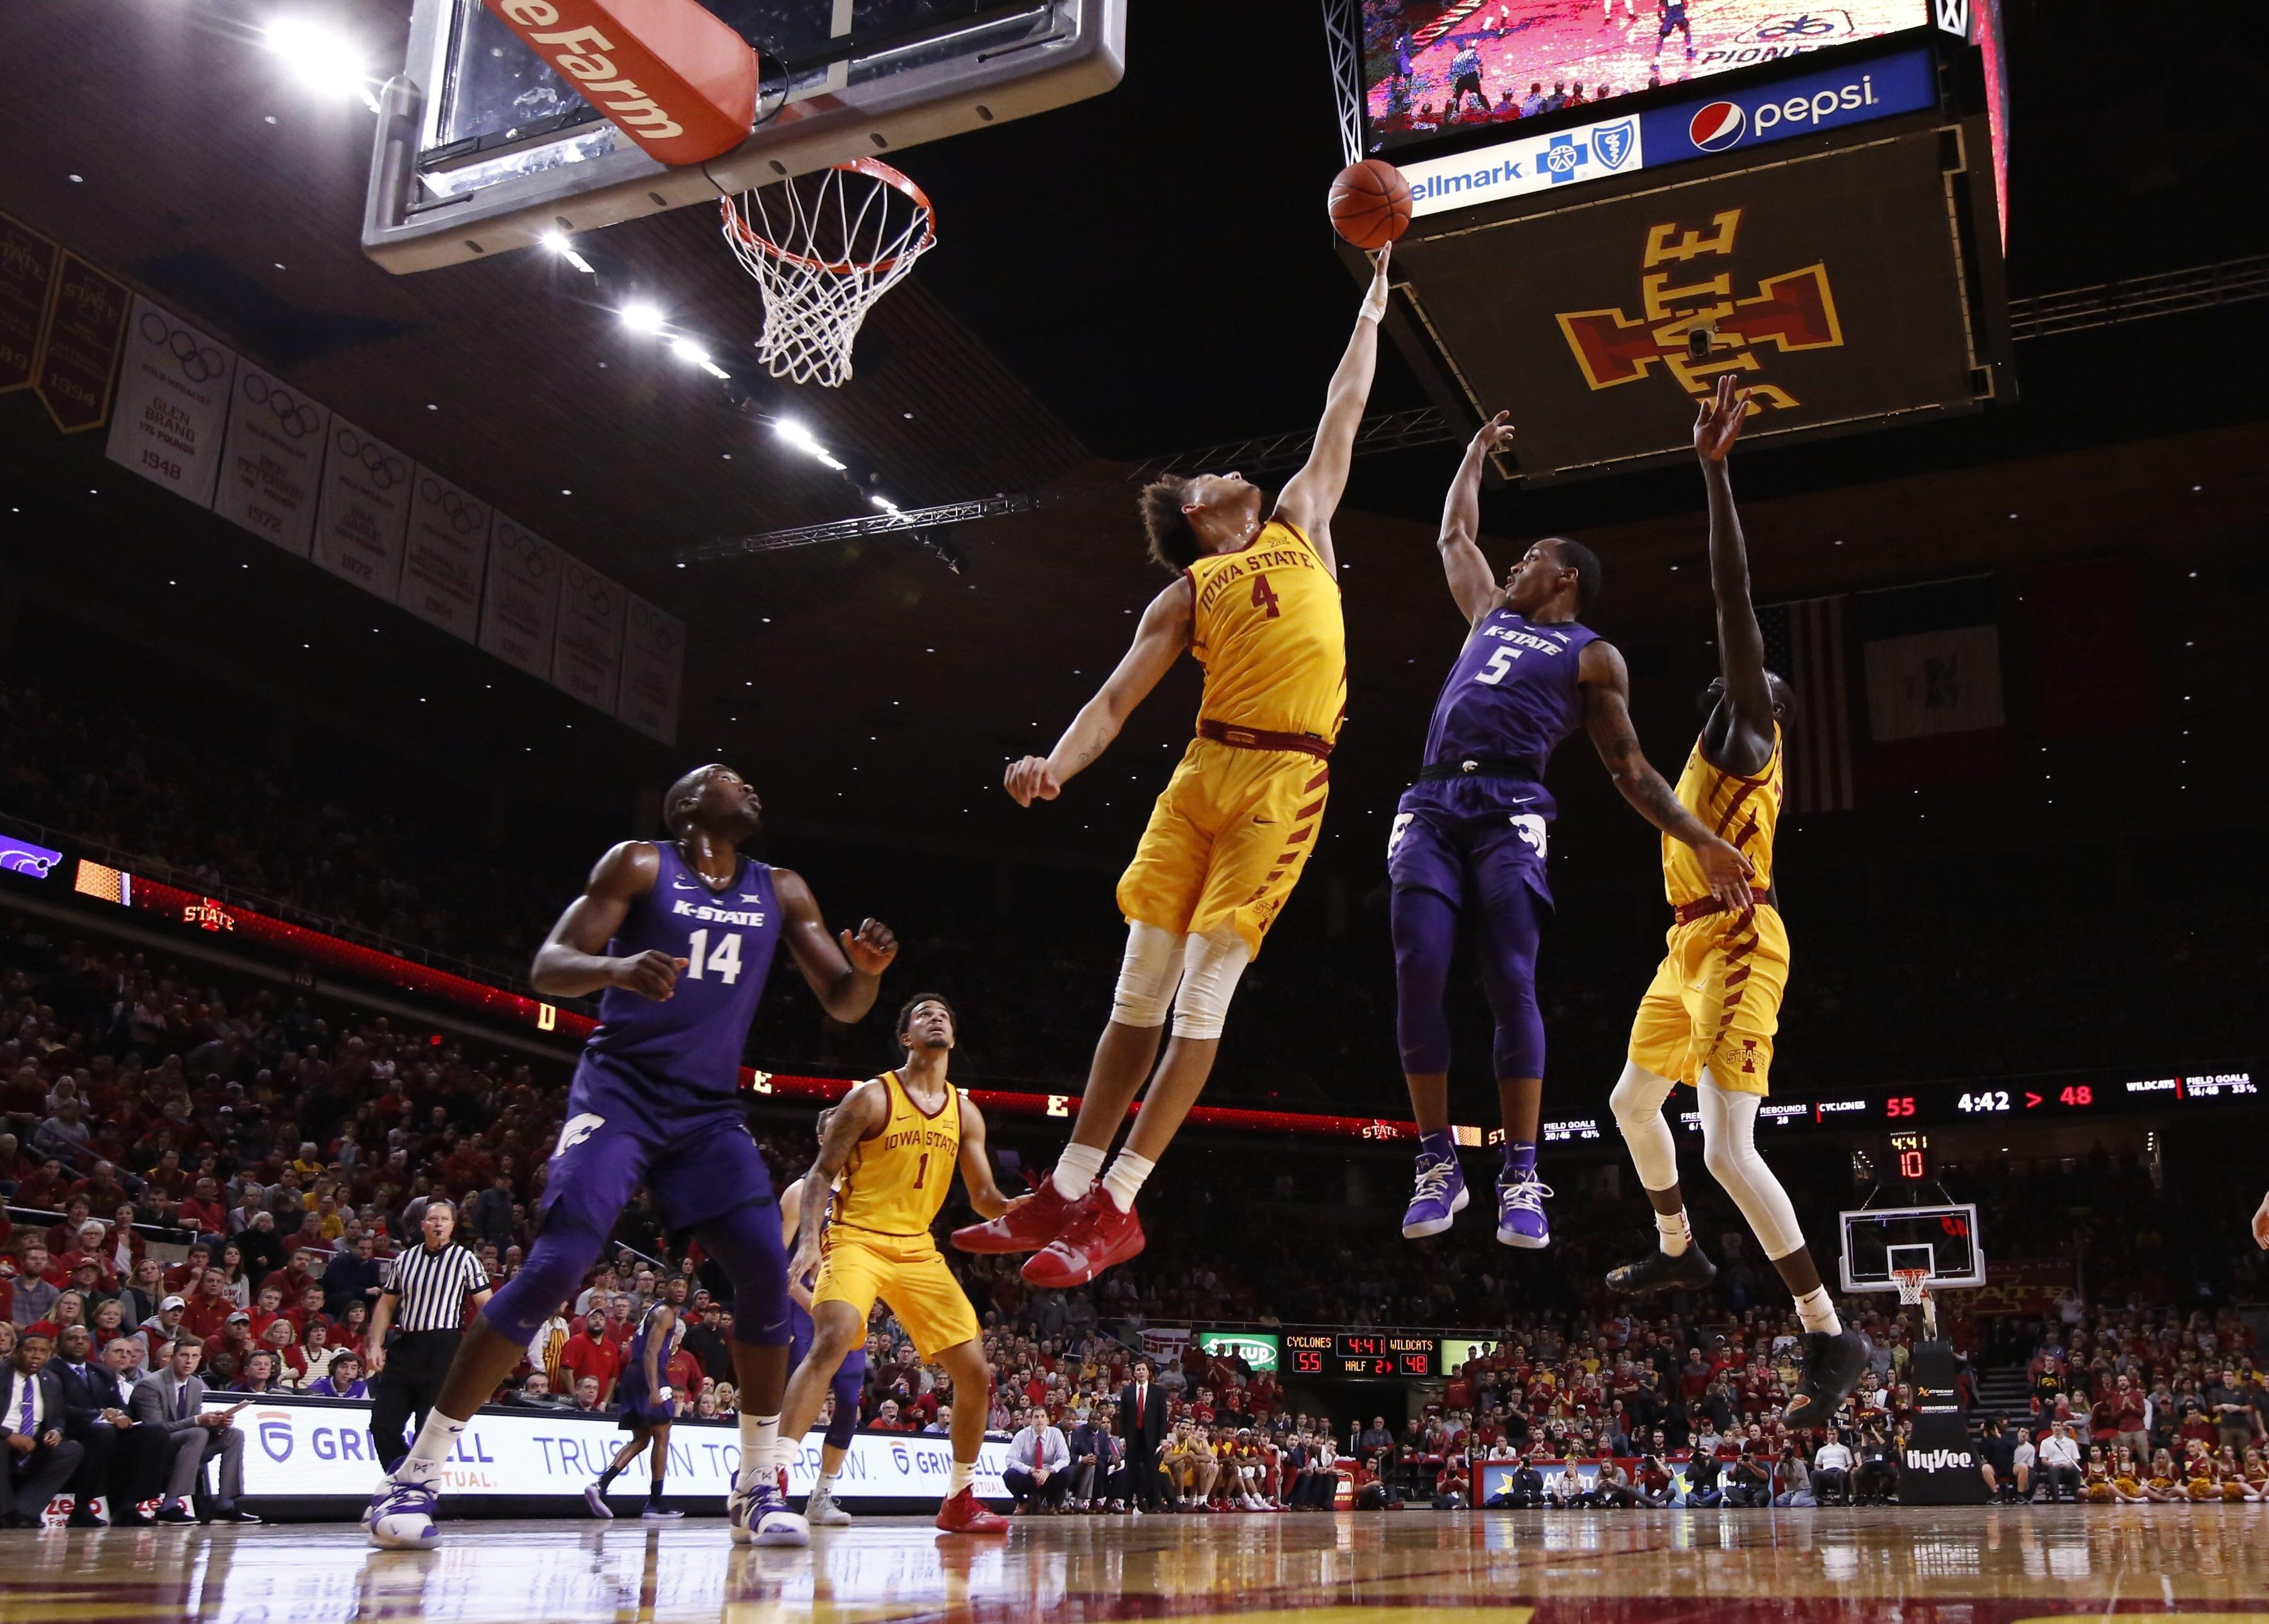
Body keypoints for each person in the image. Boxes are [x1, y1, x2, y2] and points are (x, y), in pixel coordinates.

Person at [959, 250, 1395, 1288]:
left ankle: (1120, 1204)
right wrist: (1053, 764)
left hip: (1285, 780)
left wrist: (1373, 305)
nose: (1225, 468)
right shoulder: (1189, 591)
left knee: (1201, 997)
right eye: (1204, 477)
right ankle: (1064, 1187)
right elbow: (1114, 700)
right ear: (1196, 515)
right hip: (1202, 773)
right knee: (1136, 994)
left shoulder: (1302, 521)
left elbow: (1343, 405)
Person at [360, 764, 896, 1551]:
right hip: (622, 1095)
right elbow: (550, 965)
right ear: (686, 806)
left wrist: (871, 979)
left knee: (760, 1266)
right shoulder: (640, 864)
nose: (749, 785)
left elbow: (843, 1002)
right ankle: (415, 1475)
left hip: (708, 1113)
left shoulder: (783, 888)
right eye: (727, 778)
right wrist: (615, 967)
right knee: (557, 1263)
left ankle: (755, 1484)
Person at [1392, 412, 1752, 1248]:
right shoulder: (1487, 615)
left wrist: (1699, 836)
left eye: (1533, 558)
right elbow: (1454, 534)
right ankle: (1437, 1161)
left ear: (1567, 580)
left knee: (1509, 979)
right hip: (1432, 803)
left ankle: (1522, 1168)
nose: (1516, 564)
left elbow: (1629, 769)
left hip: (1512, 810)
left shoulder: (1594, 655)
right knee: (1417, 967)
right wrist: (1474, 457)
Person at [1602, 377, 1869, 1431]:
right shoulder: (1706, 757)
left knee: (1725, 1147)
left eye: (1747, 683)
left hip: (1744, 941)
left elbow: (1731, 601)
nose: (1729, 686)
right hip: (1686, 947)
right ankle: (1680, 1252)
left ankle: (1826, 1334)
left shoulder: (1751, 734)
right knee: (1628, 1104)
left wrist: (1714, 474)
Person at [776, 996, 1015, 1535]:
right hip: (856, 1236)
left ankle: (958, 1497)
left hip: (916, 1248)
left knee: (975, 1373)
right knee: (834, 1336)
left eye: (945, 1013)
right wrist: (811, 1242)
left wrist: (1024, 1207)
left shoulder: (965, 1111)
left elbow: (985, 1199)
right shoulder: (869, 1097)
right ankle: (772, 1478)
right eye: (924, 1013)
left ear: (953, 1036)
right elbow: (819, 1174)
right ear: (906, 1037)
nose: (937, 1017)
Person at [777, 1111, 869, 1528]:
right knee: (793, 1401)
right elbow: (775, 1259)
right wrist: (805, 1297)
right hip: (805, 1309)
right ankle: (772, 1486)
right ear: (821, 1138)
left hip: (849, 1311)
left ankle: (822, 1494)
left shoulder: (863, 1193)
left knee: (849, 1402)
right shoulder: (800, 1191)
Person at [364, 1199, 490, 1473]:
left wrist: (480, 1350)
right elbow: (386, 1305)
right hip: (406, 1345)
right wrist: (375, 1343)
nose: (438, 1224)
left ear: (452, 1226)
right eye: (433, 1219)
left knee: (427, 1428)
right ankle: (402, 1478)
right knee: (382, 1424)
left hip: (443, 1348)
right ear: (423, 1225)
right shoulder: (405, 1259)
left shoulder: (466, 1259)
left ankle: (416, 1486)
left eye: (444, 1220)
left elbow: (486, 1306)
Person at [584, 1276, 691, 1521]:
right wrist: (654, 1389)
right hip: (648, 1373)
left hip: (634, 1372)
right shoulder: (665, 1313)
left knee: (642, 1438)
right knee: (663, 1435)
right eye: (675, 1284)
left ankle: (601, 1485)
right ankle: (655, 1503)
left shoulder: (655, 1310)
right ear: (665, 1288)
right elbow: (652, 1352)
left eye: (684, 1286)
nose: (680, 1289)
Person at [125, 1337, 255, 1524]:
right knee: (197, 1432)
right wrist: (198, 1421)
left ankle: (225, 1505)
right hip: (156, 1447)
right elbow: (156, 1430)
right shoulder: (150, 1385)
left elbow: (196, 1422)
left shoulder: (195, 1384)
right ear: (173, 1358)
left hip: (189, 1444)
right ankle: (169, 1506)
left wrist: (217, 1424)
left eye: (194, 1357)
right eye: (184, 1355)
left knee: (234, 1434)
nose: (189, 1361)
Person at [0, 1332, 84, 1528]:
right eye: (31, 1350)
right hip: (5, 1439)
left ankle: (24, 1511)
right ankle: (4, 1513)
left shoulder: (51, 1379)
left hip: (34, 1443)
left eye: (43, 1352)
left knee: (71, 1449)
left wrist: (56, 1431)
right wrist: (9, 1435)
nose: (37, 1356)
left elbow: (58, 1418)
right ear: (16, 1352)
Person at [1121, 1357, 1173, 1511]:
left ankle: (1154, 1503)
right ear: (1134, 1374)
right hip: (1133, 1437)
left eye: (1143, 1369)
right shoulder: (1128, 1391)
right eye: (1138, 1370)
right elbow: (1123, 1417)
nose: (1141, 1372)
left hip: (1151, 1438)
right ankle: (1129, 1503)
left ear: (1149, 1373)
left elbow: (1162, 1416)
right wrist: (1122, 1438)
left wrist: (1163, 1438)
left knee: (1152, 1471)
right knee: (1132, 1471)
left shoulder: (1157, 1391)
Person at [1005, 1405, 1070, 1514]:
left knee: (1068, 1472)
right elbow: (1010, 1460)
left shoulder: (1056, 1433)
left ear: (1048, 1420)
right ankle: (1022, 1503)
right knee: (1009, 1475)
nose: (1039, 1420)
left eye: (1042, 1416)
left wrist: (1049, 1471)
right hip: (1029, 1476)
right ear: (1031, 1421)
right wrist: (1030, 1470)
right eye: (1036, 1417)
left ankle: (1051, 1503)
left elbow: (1065, 1458)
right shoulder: (1021, 1435)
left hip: (1048, 1476)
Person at [2037, 1418, 2083, 1502]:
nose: (2056, 1427)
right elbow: (2044, 1460)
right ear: (2051, 1427)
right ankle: (2056, 1500)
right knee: (2053, 1471)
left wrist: (2070, 1464)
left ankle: (2078, 1498)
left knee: (2076, 1471)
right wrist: (2052, 1464)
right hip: (2054, 1466)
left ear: (2062, 1427)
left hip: (2068, 1467)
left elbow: (2076, 1459)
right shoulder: (2045, 1442)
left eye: (2058, 1425)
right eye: (2054, 1425)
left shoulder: (2071, 1442)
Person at [1813, 1431, 1854, 1503]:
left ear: (1838, 1435)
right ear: (1827, 1436)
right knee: (1814, 1473)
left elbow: (1851, 1463)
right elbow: (1816, 1464)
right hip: (1826, 1472)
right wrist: (1819, 1470)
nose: (1832, 1436)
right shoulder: (1822, 1450)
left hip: (1839, 1471)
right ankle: (1817, 1499)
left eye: (1833, 1434)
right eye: (1829, 1434)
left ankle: (1844, 1501)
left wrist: (1847, 1469)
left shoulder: (1845, 1449)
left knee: (1842, 1473)